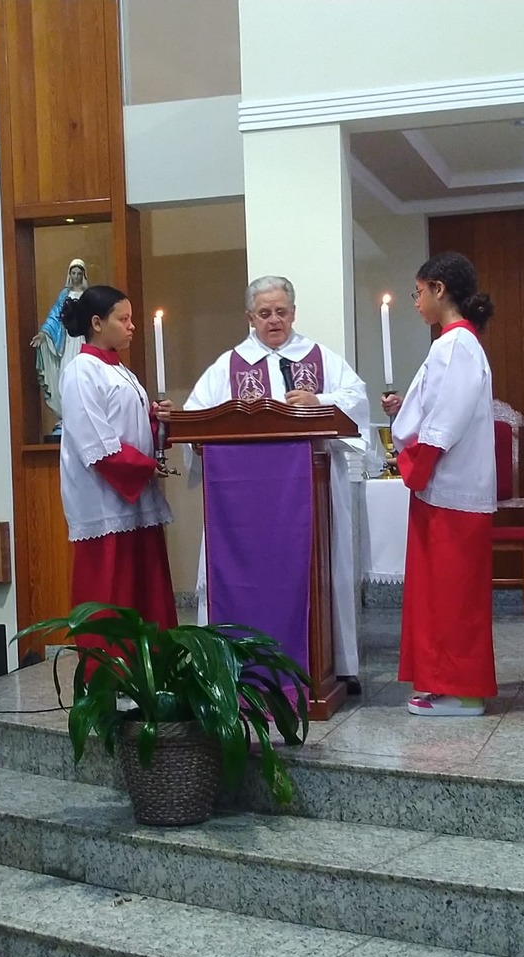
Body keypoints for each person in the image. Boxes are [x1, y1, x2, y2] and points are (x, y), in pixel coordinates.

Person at [184, 275, 370, 693]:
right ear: (250, 317)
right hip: (245, 504)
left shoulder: (320, 358)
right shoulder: (228, 365)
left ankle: (334, 666)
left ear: (293, 313)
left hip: (312, 493)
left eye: (281, 312)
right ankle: (230, 669)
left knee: (324, 569)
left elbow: (356, 399)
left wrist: (319, 401)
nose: (274, 320)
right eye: (264, 313)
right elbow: (196, 416)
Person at [381, 251, 497, 716]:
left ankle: (463, 691)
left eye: (418, 292)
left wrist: (417, 462)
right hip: (447, 489)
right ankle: (444, 683)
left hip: (451, 489)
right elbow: (438, 406)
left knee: (453, 595)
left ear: (439, 289)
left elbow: (447, 420)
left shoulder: (456, 345)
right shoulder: (454, 343)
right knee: (441, 594)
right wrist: (404, 412)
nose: (416, 301)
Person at [59, 285, 178, 647]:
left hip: (136, 498)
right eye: (123, 319)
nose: (131, 326)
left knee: (145, 595)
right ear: (97, 323)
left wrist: (157, 421)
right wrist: (142, 467)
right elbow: (95, 442)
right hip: (105, 502)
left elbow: (132, 427)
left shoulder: (121, 371)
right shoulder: (81, 371)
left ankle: (152, 671)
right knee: (110, 599)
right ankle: (110, 676)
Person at [30, 258, 89, 418]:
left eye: (79, 273)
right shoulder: (65, 295)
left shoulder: (87, 295)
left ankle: (82, 411)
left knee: (83, 373)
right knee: (66, 371)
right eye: (73, 273)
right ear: (69, 274)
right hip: (67, 340)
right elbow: (55, 316)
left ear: (83, 275)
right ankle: (68, 412)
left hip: (83, 339)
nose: (76, 276)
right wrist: (44, 333)